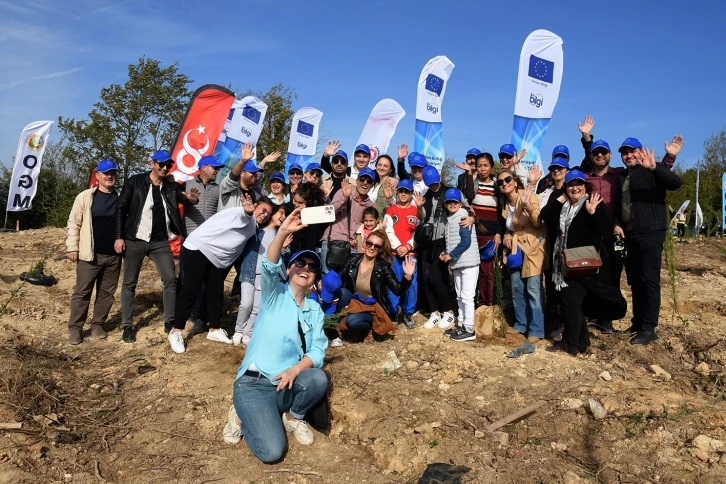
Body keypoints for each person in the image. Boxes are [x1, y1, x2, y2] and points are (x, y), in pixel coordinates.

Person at [223, 209, 329, 461]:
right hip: (254, 383)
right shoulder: (275, 294)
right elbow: (269, 265)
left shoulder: (315, 310)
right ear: (289, 269)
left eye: (312, 267)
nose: (306, 268)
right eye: (300, 263)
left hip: (285, 383)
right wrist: (282, 232)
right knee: (271, 452)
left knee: (317, 378)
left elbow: (317, 351)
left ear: (315, 277)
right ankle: (240, 414)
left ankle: (292, 417)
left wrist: (294, 370)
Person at [169, 195, 275, 353]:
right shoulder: (242, 215)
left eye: (269, 213)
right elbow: (243, 216)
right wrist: (247, 211)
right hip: (198, 249)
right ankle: (176, 331)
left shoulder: (254, 226)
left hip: (216, 258)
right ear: (254, 207)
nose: (265, 214)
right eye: (263, 210)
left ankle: (214, 329)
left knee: (215, 292)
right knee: (191, 290)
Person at [115, 150, 199, 342]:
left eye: (168, 165)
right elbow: (121, 209)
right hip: (135, 239)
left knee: (170, 278)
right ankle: (127, 325)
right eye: (161, 164)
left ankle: (169, 321)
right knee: (129, 283)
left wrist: (192, 199)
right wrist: (119, 237)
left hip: (160, 241)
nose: (164, 167)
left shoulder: (170, 187)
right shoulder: (135, 182)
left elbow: (183, 197)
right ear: (152, 163)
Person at [541, 170, 627, 355]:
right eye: (571, 184)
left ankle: (570, 344)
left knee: (571, 304)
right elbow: (546, 215)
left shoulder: (593, 202)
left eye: (579, 184)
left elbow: (604, 228)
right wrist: (562, 198)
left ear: (585, 185)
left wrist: (592, 212)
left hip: (587, 264)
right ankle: (580, 342)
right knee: (572, 304)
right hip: (568, 264)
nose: (575, 188)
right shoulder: (564, 207)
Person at [614, 143, 682, 345]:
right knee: (635, 279)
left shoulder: (651, 170)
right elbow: (621, 206)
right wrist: (617, 224)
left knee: (649, 278)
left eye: (632, 151)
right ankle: (637, 323)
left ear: (640, 152)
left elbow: (675, 183)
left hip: (651, 231)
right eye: (625, 153)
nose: (628, 156)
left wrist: (656, 167)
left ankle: (649, 328)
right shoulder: (623, 177)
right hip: (630, 234)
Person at [66, 160, 122, 345]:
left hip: (113, 257)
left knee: (106, 293)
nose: (109, 176)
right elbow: (74, 223)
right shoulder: (85, 197)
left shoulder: (121, 198)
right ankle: (75, 329)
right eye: (105, 173)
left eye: (112, 173)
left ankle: (98, 325)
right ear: (97, 175)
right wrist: (72, 247)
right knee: (82, 293)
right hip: (89, 255)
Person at [417, 166, 474, 330]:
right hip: (427, 241)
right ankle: (434, 313)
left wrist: (471, 218)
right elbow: (422, 219)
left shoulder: (450, 192)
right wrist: (419, 207)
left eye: (435, 182)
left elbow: (468, 206)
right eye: (430, 184)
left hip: (443, 241)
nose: (434, 186)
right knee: (426, 278)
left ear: (440, 178)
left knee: (437, 278)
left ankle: (448, 311)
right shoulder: (426, 196)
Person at [498, 169, 547, 357]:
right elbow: (510, 228)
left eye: (508, 179)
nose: (505, 183)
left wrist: (527, 205)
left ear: (515, 181)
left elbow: (537, 222)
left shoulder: (528, 196)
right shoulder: (504, 205)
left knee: (534, 290)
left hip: (533, 249)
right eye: (501, 181)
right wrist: (507, 236)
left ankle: (536, 330)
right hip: (516, 250)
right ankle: (521, 324)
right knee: (517, 288)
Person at [335, 231, 416, 337]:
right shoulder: (353, 259)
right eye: (370, 243)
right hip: (353, 302)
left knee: (352, 321)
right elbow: (339, 277)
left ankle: (369, 328)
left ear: (380, 249)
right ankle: (335, 328)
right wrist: (323, 284)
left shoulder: (383, 267)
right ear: (365, 242)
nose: (372, 247)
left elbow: (398, 290)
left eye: (377, 246)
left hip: (371, 307)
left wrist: (408, 276)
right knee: (342, 292)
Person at [233, 203, 292, 346]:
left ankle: (248, 332)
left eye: (285, 215)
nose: (283, 217)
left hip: (266, 277)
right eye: (281, 213)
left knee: (257, 307)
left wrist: (283, 248)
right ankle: (238, 330)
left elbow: (284, 259)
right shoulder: (256, 230)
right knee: (245, 304)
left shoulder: (281, 235)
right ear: (273, 213)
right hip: (249, 272)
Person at [180, 155, 224, 334]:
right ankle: (187, 314)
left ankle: (200, 317)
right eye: (214, 167)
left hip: (211, 244)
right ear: (203, 167)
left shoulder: (218, 188)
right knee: (189, 281)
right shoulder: (186, 185)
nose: (217, 170)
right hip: (190, 241)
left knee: (208, 283)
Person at [461, 152, 503, 308]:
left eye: (486, 165)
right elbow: (468, 198)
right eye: (479, 166)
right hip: (473, 235)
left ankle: (487, 304)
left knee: (488, 272)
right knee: (472, 270)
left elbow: (501, 213)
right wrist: (469, 174)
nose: (482, 168)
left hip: (490, 236)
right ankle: (471, 303)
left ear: (491, 166)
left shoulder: (497, 186)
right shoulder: (472, 182)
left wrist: (499, 233)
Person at [439, 188, 480, 342]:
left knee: (467, 296)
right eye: (449, 202)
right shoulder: (450, 218)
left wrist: (451, 255)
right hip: (458, 262)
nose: (452, 204)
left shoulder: (462, 215)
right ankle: (461, 324)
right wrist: (445, 252)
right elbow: (453, 241)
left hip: (468, 261)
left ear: (460, 203)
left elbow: (466, 242)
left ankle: (469, 329)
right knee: (460, 295)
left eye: (454, 201)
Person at [320, 168, 376, 273]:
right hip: (333, 242)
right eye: (362, 179)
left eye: (369, 181)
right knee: (327, 283)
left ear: (372, 185)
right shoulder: (343, 192)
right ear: (357, 180)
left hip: (352, 249)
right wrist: (344, 197)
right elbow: (328, 214)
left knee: (345, 286)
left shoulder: (371, 205)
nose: (365, 183)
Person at [383, 179, 421, 329]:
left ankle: (407, 312)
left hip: (410, 254)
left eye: (407, 191)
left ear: (411, 193)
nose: (403, 194)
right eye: (401, 191)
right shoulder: (391, 210)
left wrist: (408, 246)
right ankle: (393, 312)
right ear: (397, 192)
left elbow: (418, 233)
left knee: (411, 283)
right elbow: (388, 230)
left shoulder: (416, 210)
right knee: (394, 282)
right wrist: (398, 246)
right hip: (394, 253)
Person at [539, 157, 570, 333]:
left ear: (566, 169)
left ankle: (565, 322)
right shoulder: (550, 192)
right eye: (553, 168)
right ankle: (552, 318)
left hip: (567, 244)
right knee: (551, 280)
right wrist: (561, 198)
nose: (556, 171)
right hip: (551, 243)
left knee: (565, 283)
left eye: (560, 168)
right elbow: (546, 214)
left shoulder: (573, 189)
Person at [219, 142, 282, 211]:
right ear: (242, 173)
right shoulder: (229, 189)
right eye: (252, 172)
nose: (255, 175)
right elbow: (232, 178)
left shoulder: (255, 194)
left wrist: (264, 161)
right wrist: (243, 161)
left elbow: (258, 180)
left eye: (255, 172)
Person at [288, 183, 328, 254]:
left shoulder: (312, 214)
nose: (296, 205)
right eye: (295, 201)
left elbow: (312, 240)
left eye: (300, 202)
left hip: (306, 252)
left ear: (308, 202)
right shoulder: (288, 208)